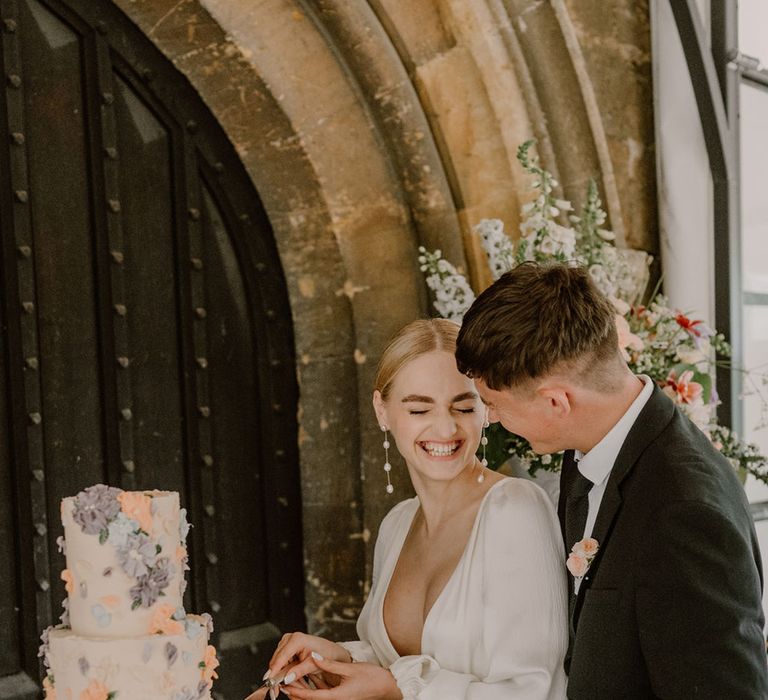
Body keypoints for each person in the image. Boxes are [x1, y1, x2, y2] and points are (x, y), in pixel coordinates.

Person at [454, 261, 768, 699]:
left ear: (556, 401)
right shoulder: (589, 449)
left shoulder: (684, 511)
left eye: (494, 404)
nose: (493, 419)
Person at [247, 318, 568, 700]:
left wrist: (395, 688)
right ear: (382, 411)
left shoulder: (516, 510)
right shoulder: (397, 524)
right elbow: (394, 661)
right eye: (419, 410)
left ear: (485, 410)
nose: (445, 429)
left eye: (463, 408)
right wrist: (339, 658)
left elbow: (533, 691)